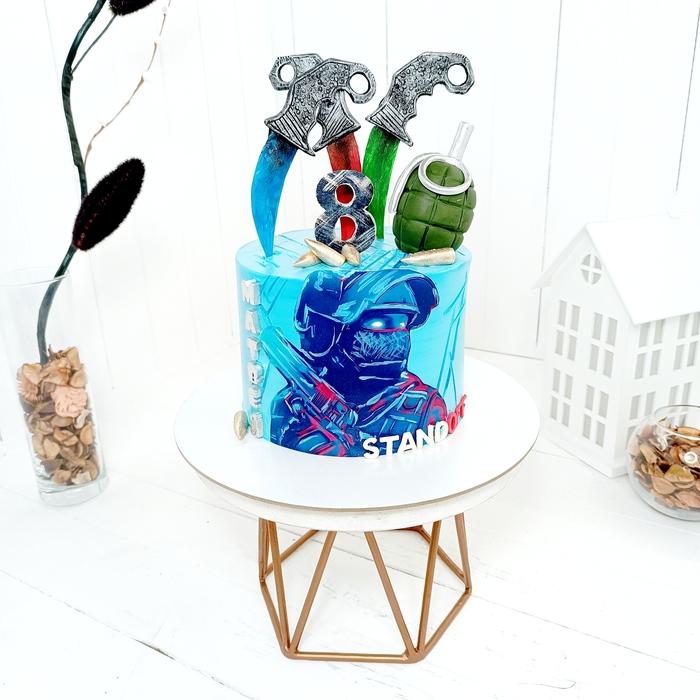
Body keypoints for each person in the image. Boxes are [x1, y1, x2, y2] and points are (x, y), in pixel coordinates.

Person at [268, 269, 447, 456]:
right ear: (331, 331)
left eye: (403, 323)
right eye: (379, 323)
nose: (397, 334)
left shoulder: (423, 406)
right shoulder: (291, 404)